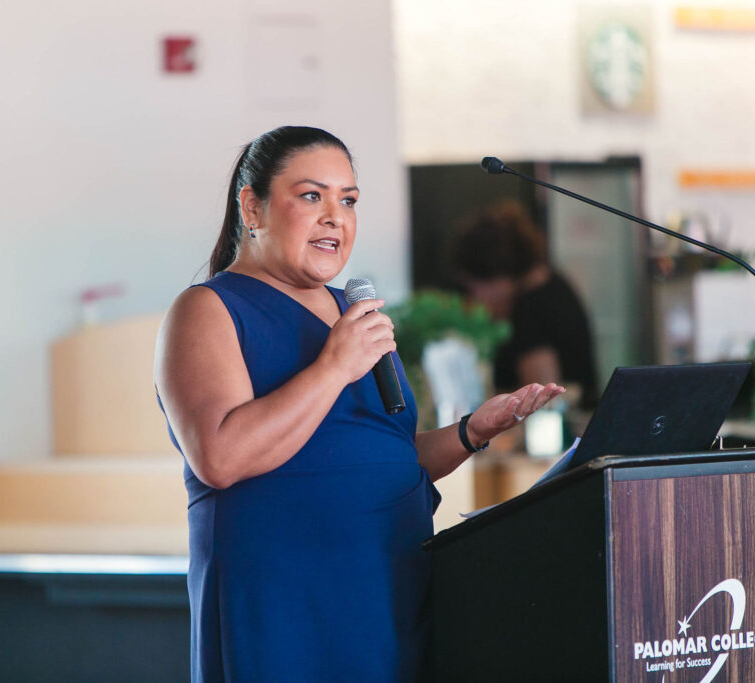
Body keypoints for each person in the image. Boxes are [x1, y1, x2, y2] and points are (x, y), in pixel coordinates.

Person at [154, 126, 563, 682]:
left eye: (348, 201)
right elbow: (220, 457)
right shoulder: (207, 310)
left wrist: (471, 430)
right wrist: (333, 368)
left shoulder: (354, 313)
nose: (335, 218)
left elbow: (387, 456)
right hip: (287, 602)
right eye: (311, 196)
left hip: (390, 587)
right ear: (252, 207)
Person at [452, 200, 598, 409]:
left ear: (496, 275)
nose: (474, 300)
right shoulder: (556, 283)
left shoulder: (529, 311)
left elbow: (540, 400)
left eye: (474, 287)